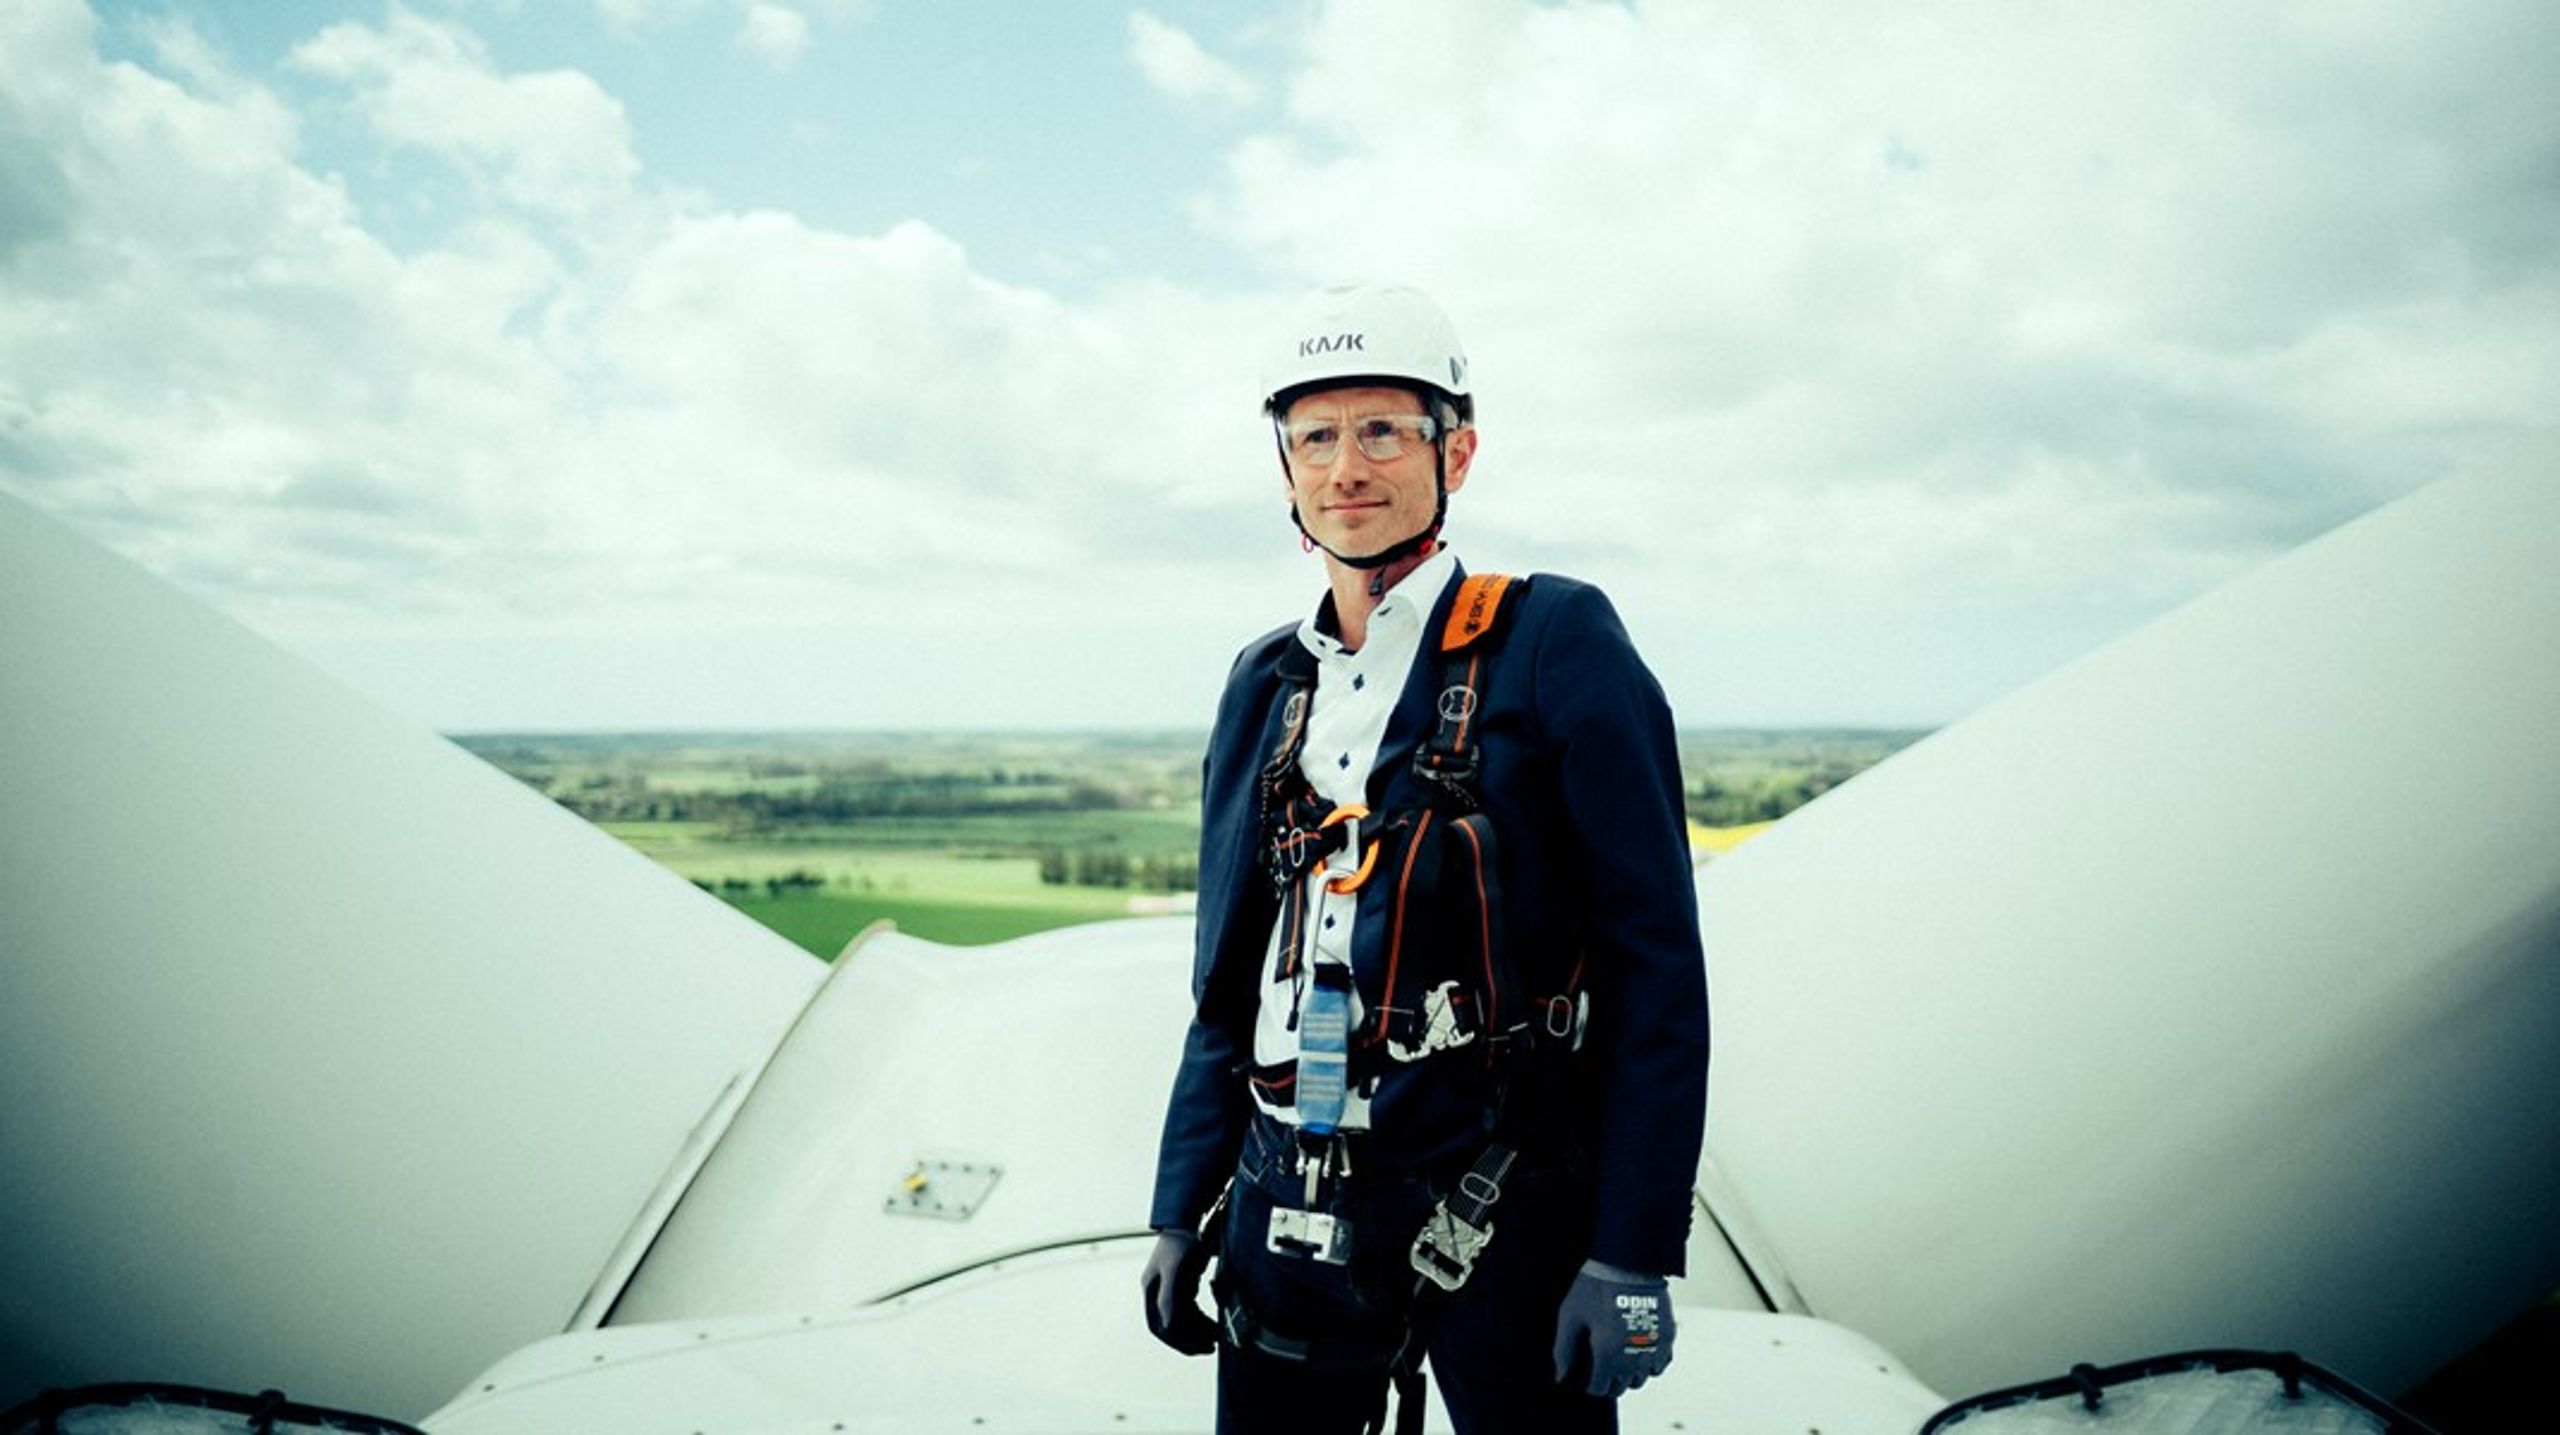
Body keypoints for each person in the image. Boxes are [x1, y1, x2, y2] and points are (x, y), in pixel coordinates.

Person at [1139, 282, 1711, 1434]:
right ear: (1286, 468)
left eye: (1381, 429)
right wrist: (1177, 1201)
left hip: (1498, 1200)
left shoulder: (1554, 638)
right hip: (1282, 1187)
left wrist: (1631, 1252)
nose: (1345, 465)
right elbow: (1227, 971)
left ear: (1458, 450)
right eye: (1314, 437)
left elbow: (1656, 964)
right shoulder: (1265, 684)